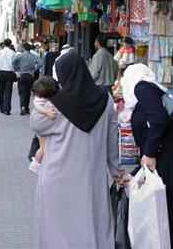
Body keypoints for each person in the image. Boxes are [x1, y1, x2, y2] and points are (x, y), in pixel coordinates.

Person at [30, 49, 122, 249]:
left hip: (58, 178)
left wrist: (39, 106)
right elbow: (112, 140)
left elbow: (36, 124)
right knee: (92, 225)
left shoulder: (57, 103)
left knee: (57, 231)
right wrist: (116, 172)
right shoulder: (106, 100)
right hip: (92, 178)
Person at [124, 64, 173, 249]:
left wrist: (149, 154)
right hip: (171, 159)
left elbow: (158, 119)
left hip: (169, 161)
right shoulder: (151, 89)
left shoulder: (141, 87)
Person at [29, 76, 58, 174]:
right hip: (40, 127)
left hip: (38, 127)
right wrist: (47, 113)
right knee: (43, 148)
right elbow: (37, 107)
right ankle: (36, 164)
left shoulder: (40, 97)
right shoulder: (40, 100)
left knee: (42, 147)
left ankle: (36, 163)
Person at [12, 43, 40, 115]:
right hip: (30, 76)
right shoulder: (34, 56)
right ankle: (27, 108)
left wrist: (17, 69)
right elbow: (41, 63)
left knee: (22, 92)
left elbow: (13, 62)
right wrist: (34, 69)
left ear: (24, 48)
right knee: (28, 92)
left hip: (22, 75)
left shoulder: (20, 55)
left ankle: (23, 107)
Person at [0, 39, 17, 115]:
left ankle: (1, 107)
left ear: (4, 44)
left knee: (1, 91)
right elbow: (14, 64)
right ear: (10, 44)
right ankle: (7, 109)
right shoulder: (13, 53)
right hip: (9, 73)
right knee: (8, 91)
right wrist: (16, 72)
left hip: (1, 73)